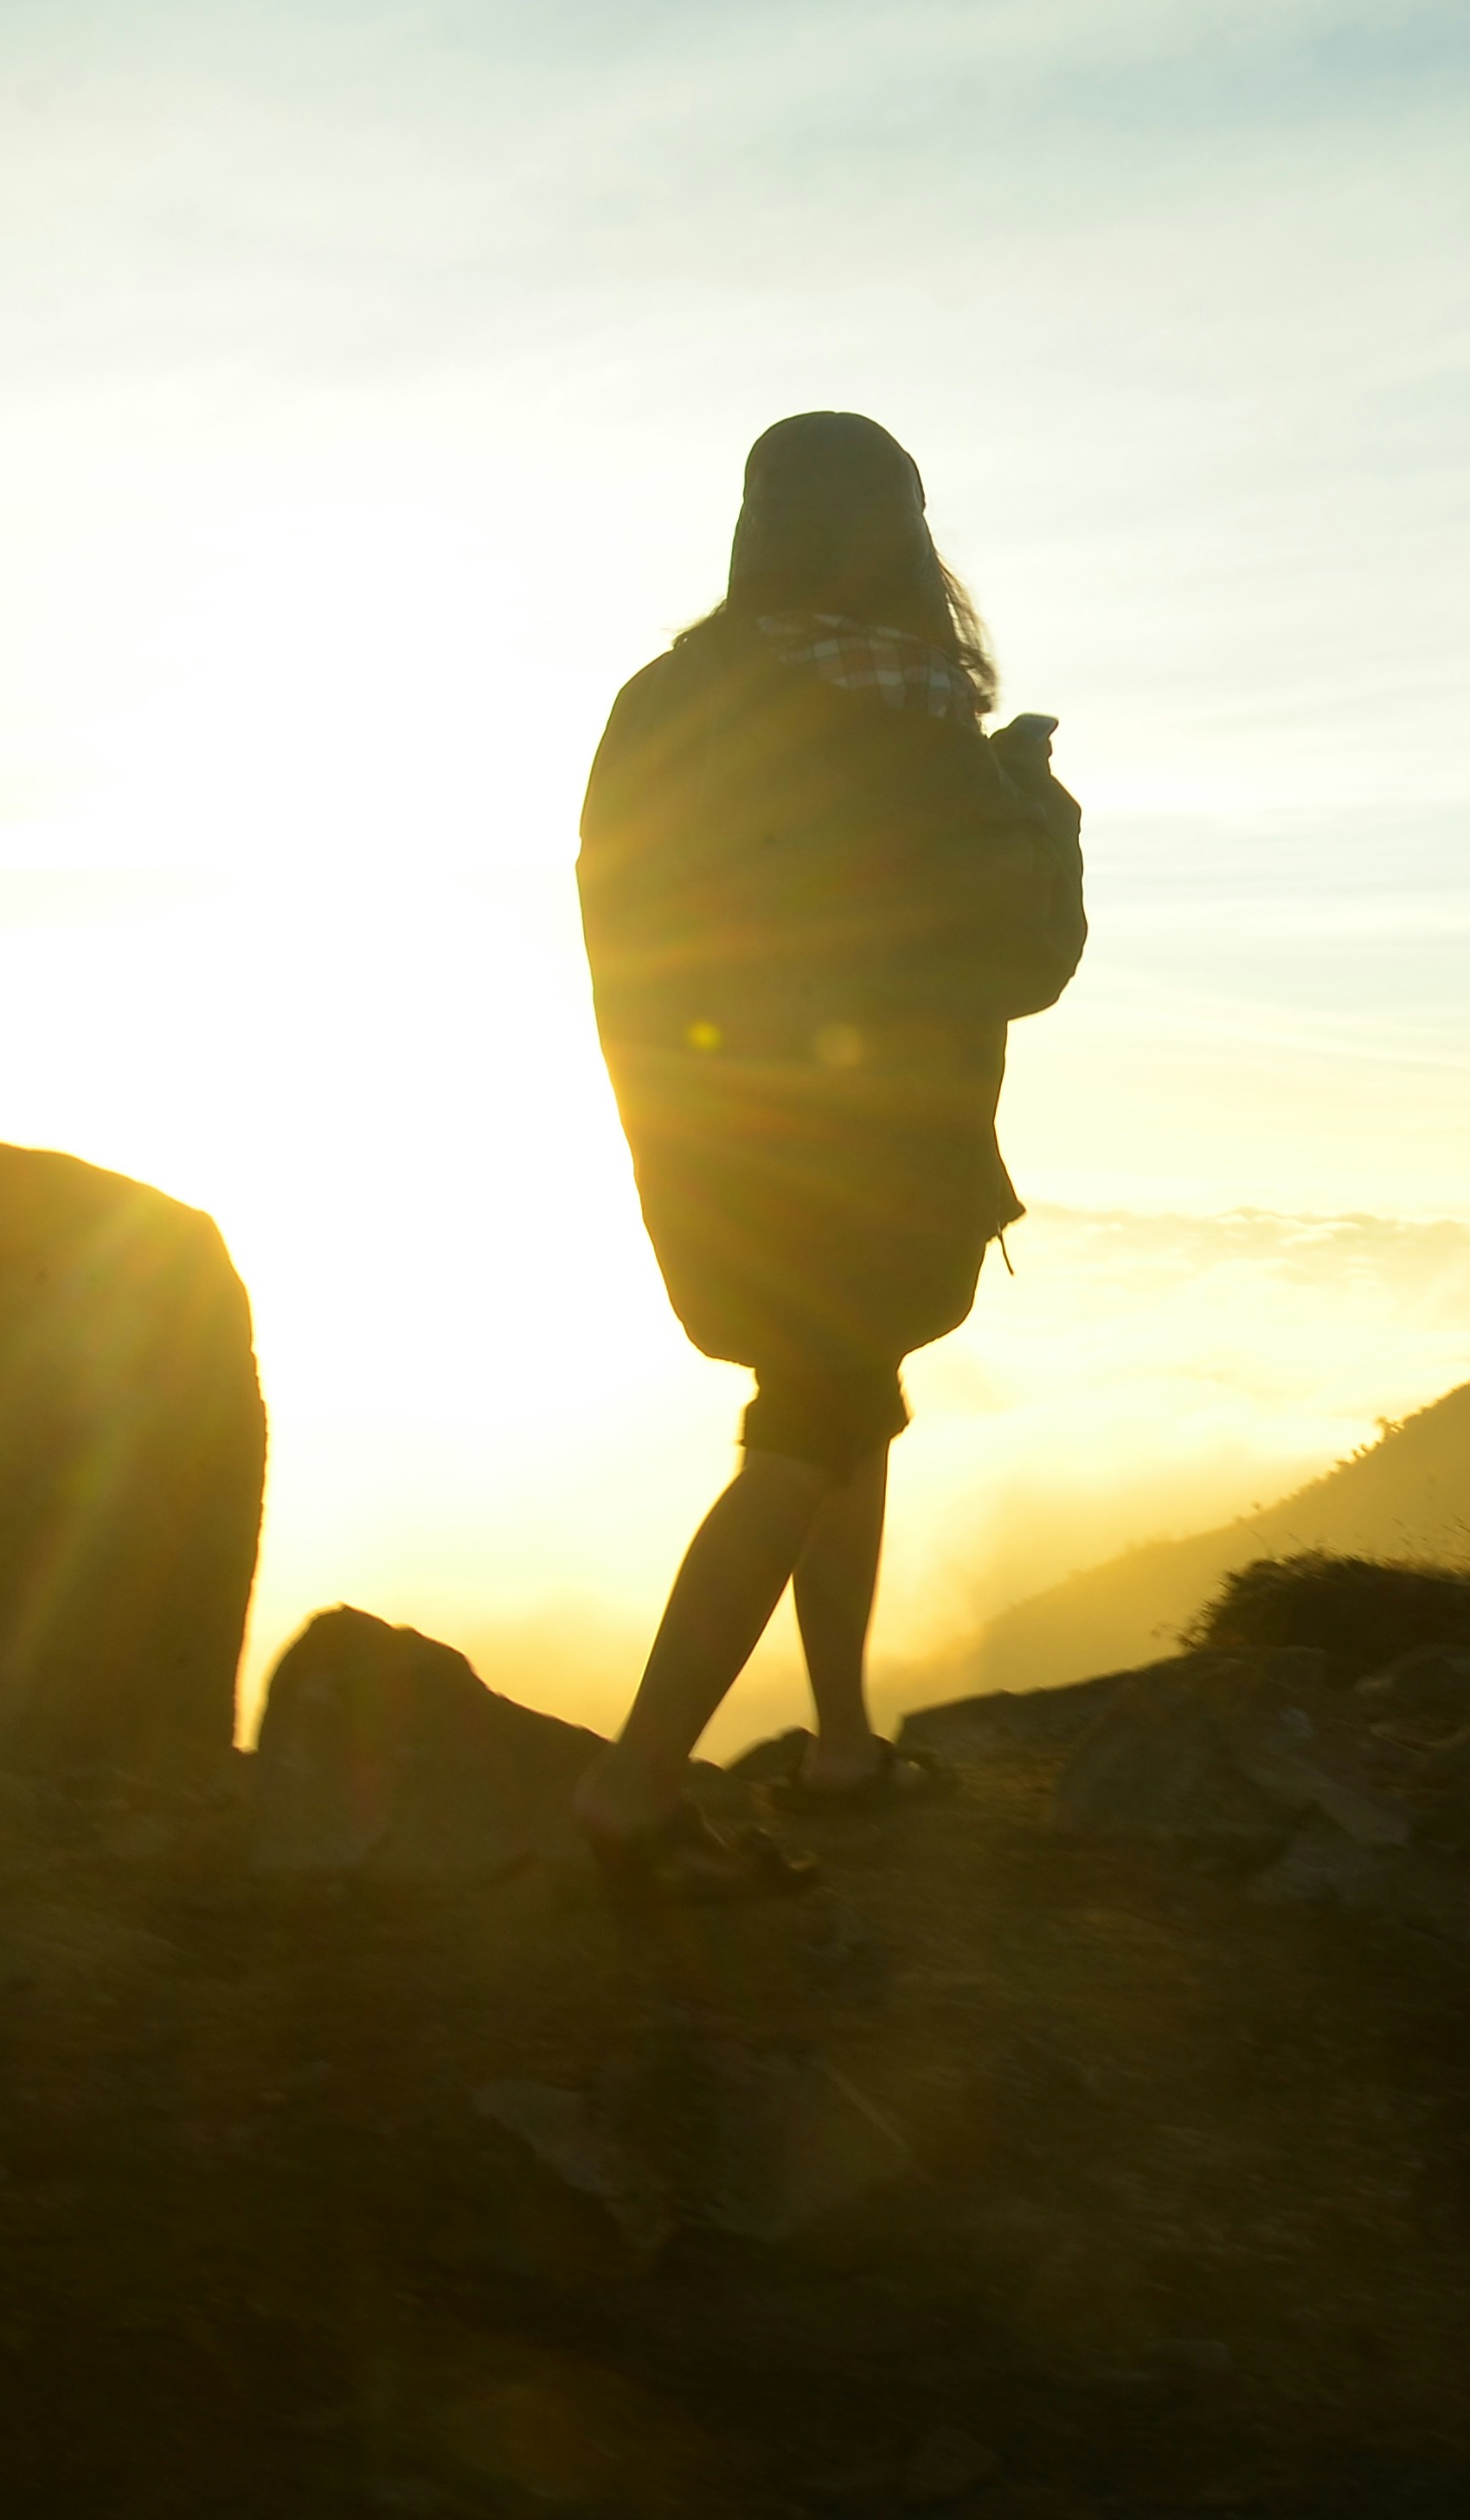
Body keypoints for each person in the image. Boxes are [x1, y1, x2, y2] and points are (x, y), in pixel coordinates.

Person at [566, 411, 1085, 1898]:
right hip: (861, 1144)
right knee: (814, 1417)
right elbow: (1012, 951)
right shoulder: (897, 707)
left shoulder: (672, 695)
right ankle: (631, 1789)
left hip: (710, 1123)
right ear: (903, 536)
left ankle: (844, 1745)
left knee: (844, 1401)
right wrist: (1033, 803)